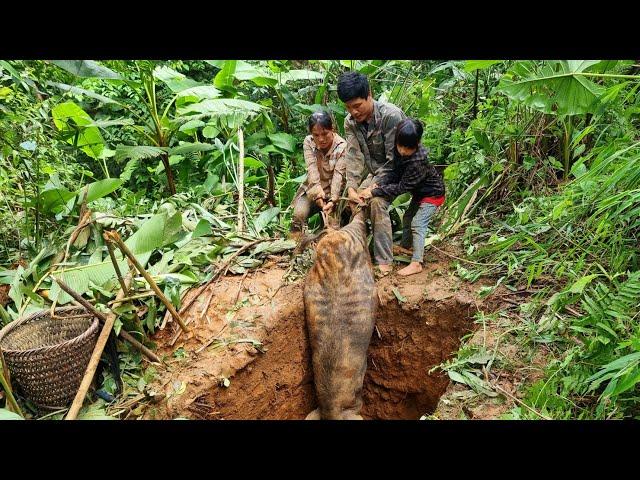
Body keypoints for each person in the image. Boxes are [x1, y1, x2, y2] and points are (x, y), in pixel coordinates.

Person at [337, 71, 406, 275]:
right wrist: (351, 188)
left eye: (357, 105)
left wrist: (373, 188)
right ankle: (356, 255)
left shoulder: (391, 116)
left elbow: (396, 162)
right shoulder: (350, 122)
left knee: (376, 203)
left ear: (369, 94)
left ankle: (384, 262)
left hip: (401, 174)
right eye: (348, 107)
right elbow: (353, 156)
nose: (354, 112)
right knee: (350, 202)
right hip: (376, 174)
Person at [359, 118, 445, 276]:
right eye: (401, 146)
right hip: (420, 194)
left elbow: (401, 187)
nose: (404, 151)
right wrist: (378, 184)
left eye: (409, 148)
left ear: (417, 143)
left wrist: (374, 192)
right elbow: (394, 172)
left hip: (432, 195)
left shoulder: (418, 162)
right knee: (407, 218)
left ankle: (417, 262)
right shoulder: (399, 152)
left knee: (417, 224)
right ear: (396, 139)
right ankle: (407, 247)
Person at [290, 110, 347, 235]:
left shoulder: (342, 147)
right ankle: (294, 248)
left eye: (325, 134)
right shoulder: (308, 142)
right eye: (316, 135)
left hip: (335, 194)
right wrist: (317, 193)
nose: (321, 139)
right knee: (298, 215)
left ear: (333, 129)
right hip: (313, 190)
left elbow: (339, 176)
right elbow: (312, 169)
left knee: (332, 228)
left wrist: (332, 200)